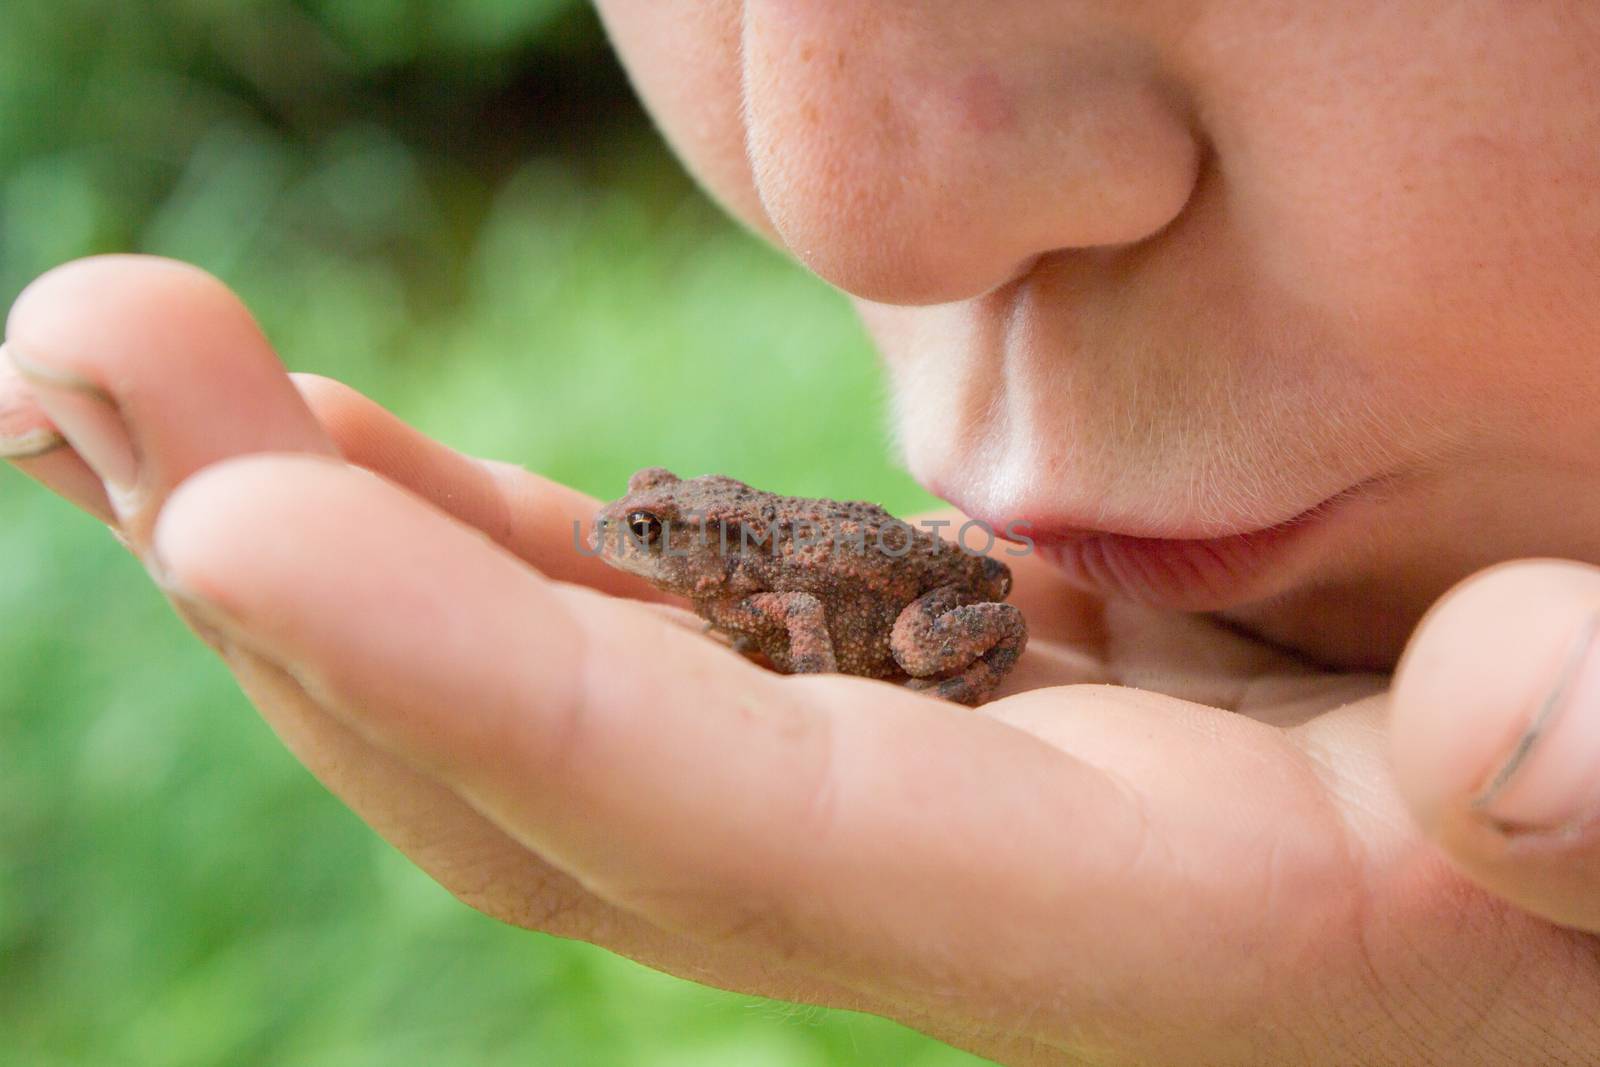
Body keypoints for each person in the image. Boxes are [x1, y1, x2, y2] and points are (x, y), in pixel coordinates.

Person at [3, 2, 1599, 1062]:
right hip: (898, 570)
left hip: (938, 604)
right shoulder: (732, 558)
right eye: (653, 538)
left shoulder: (757, 584)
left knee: (915, 624)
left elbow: (846, 627)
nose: (848, 207)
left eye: (665, 548)